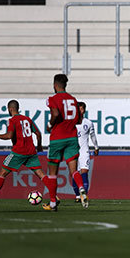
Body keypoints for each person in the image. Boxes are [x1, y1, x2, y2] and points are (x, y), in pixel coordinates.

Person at [0, 100, 52, 206]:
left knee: (2, 173)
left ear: (10, 109)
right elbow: (38, 134)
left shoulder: (12, 120)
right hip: (31, 151)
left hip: (19, 152)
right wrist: (39, 146)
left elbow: (9, 136)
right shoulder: (27, 119)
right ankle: (54, 196)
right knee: (41, 174)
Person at [43, 74, 88, 211]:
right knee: (74, 170)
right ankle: (81, 189)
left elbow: (55, 114)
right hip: (72, 137)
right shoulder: (73, 100)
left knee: (52, 173)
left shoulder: (52, 99)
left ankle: (52, 203)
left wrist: (50, 125)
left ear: (55, 85)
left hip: (57, 138)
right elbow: (79, 120)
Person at [72, 102, 99, 203]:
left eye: (81, 109)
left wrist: (96, 147)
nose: (79, 111)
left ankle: (84, 196)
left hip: (84, 151)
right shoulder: (70, 123)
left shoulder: (88, 123)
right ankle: (77, 196)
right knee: (74, 173)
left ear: (84, 110)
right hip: (73, 151)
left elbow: (93, 136)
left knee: (84, 172)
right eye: (78, 109)